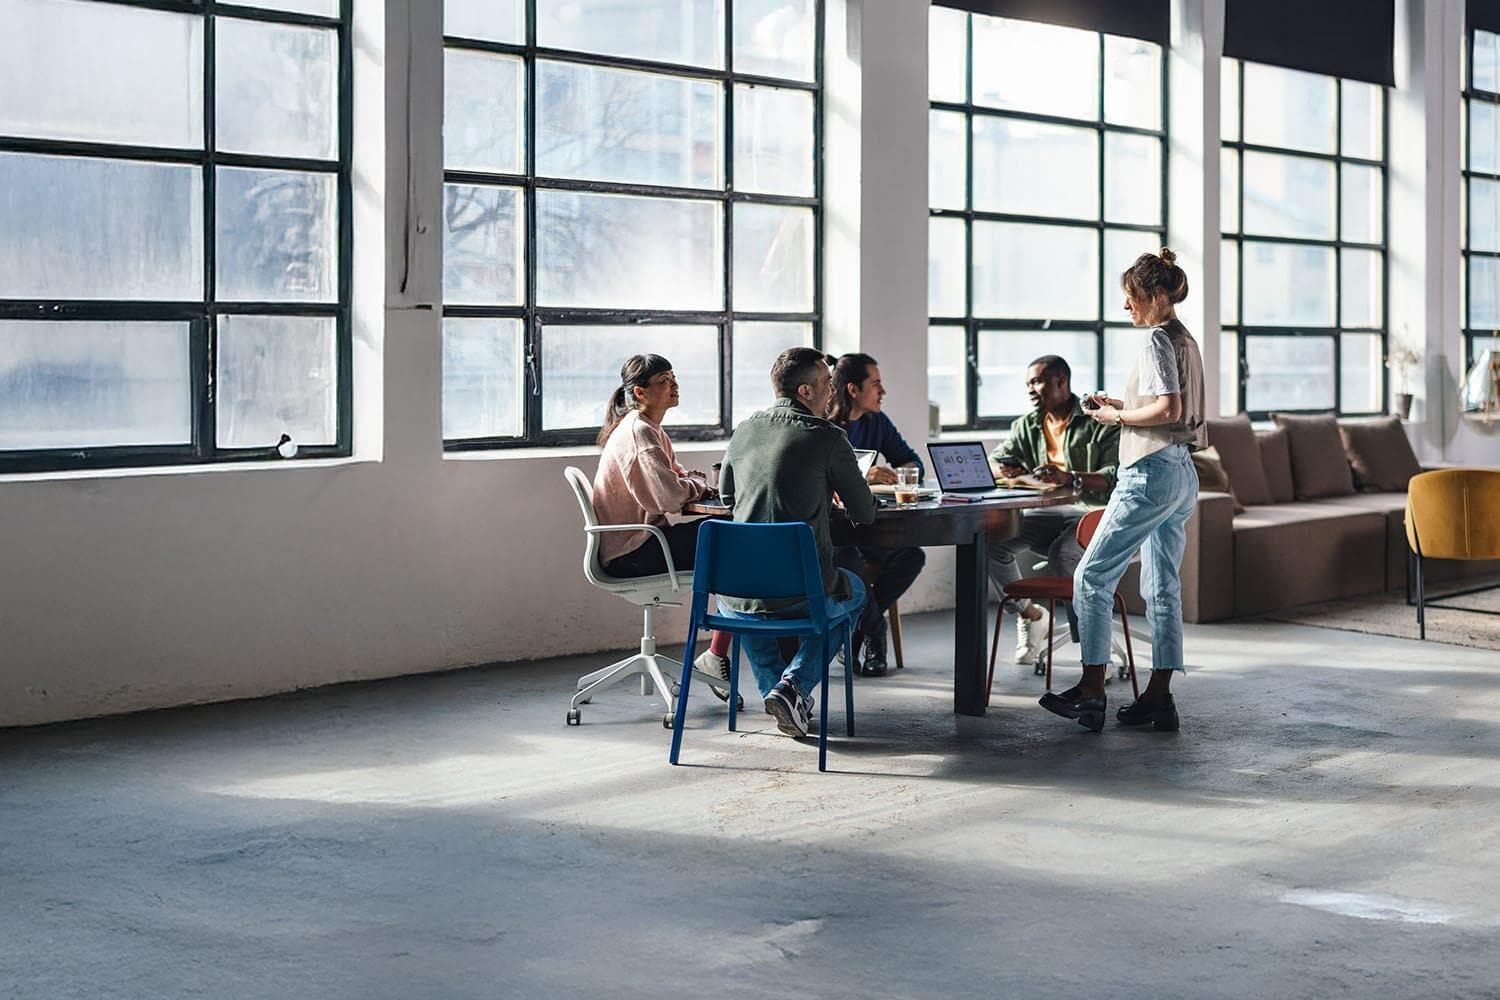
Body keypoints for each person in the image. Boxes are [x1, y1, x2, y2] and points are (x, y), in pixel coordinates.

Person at [1040, 248, 1206, 734]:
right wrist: (1124, 403)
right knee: (1162, 587)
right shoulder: (1185, 338)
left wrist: (1115, 417)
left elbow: (1168, 408)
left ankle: (1091, 692)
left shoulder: (1156, 337)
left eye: (1131, 297)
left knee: (1090, 577)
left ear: (1156, 296)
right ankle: (1158, 697)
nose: (1126, 307)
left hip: (1150, 471)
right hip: (1182, 473)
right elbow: (1172, 408)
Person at [717, 348, 878, 737]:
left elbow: (726, 496)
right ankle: (793, 687)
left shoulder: (745, 429)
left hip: (735, 592)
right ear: (806, 390)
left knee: (749, 607)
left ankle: (780, 695)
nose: (833, 393)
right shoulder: (829, 437)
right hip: (799, 589)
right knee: (854, 593)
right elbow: (866, 513)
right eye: (827, 384)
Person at [590, 354, 735, 697]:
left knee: (726, 541)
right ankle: (717, 654)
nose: (674, 385)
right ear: (640, 392)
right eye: (664, 381)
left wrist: (694, 483)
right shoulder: (640, 433)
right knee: (733, 543)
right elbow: (669, 497)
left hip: (642, 543)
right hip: (634, 552)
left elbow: (674, 476)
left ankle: (717, 651)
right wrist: (700, 486)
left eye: (673, 377)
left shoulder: (648, 428)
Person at [987, 356, 1119, 665]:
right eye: (1028, 384)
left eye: (1037, 382)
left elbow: (1116, 475)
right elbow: (995, 459)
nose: (1031, 389)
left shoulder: (1097, 420)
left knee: (1064, 552)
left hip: (1096, 513)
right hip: (1052, 513)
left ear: (1061, 381)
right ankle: (1031, 615)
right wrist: (1006, 468)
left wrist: (1071, 478)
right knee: (991, 541)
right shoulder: (1028, 424)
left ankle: (1095, 656)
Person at [827, 353, 927, 677]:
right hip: (835, 531)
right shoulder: (824, 425)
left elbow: (914, 463)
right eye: (877, 384)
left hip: (870, 525)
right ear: (854, 389)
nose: (882, 392)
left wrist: (898, 473)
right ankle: (874, 633)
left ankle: (857, 629)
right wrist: (862, 475)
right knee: (850, 558)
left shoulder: (876, 422)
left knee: (911, 557)